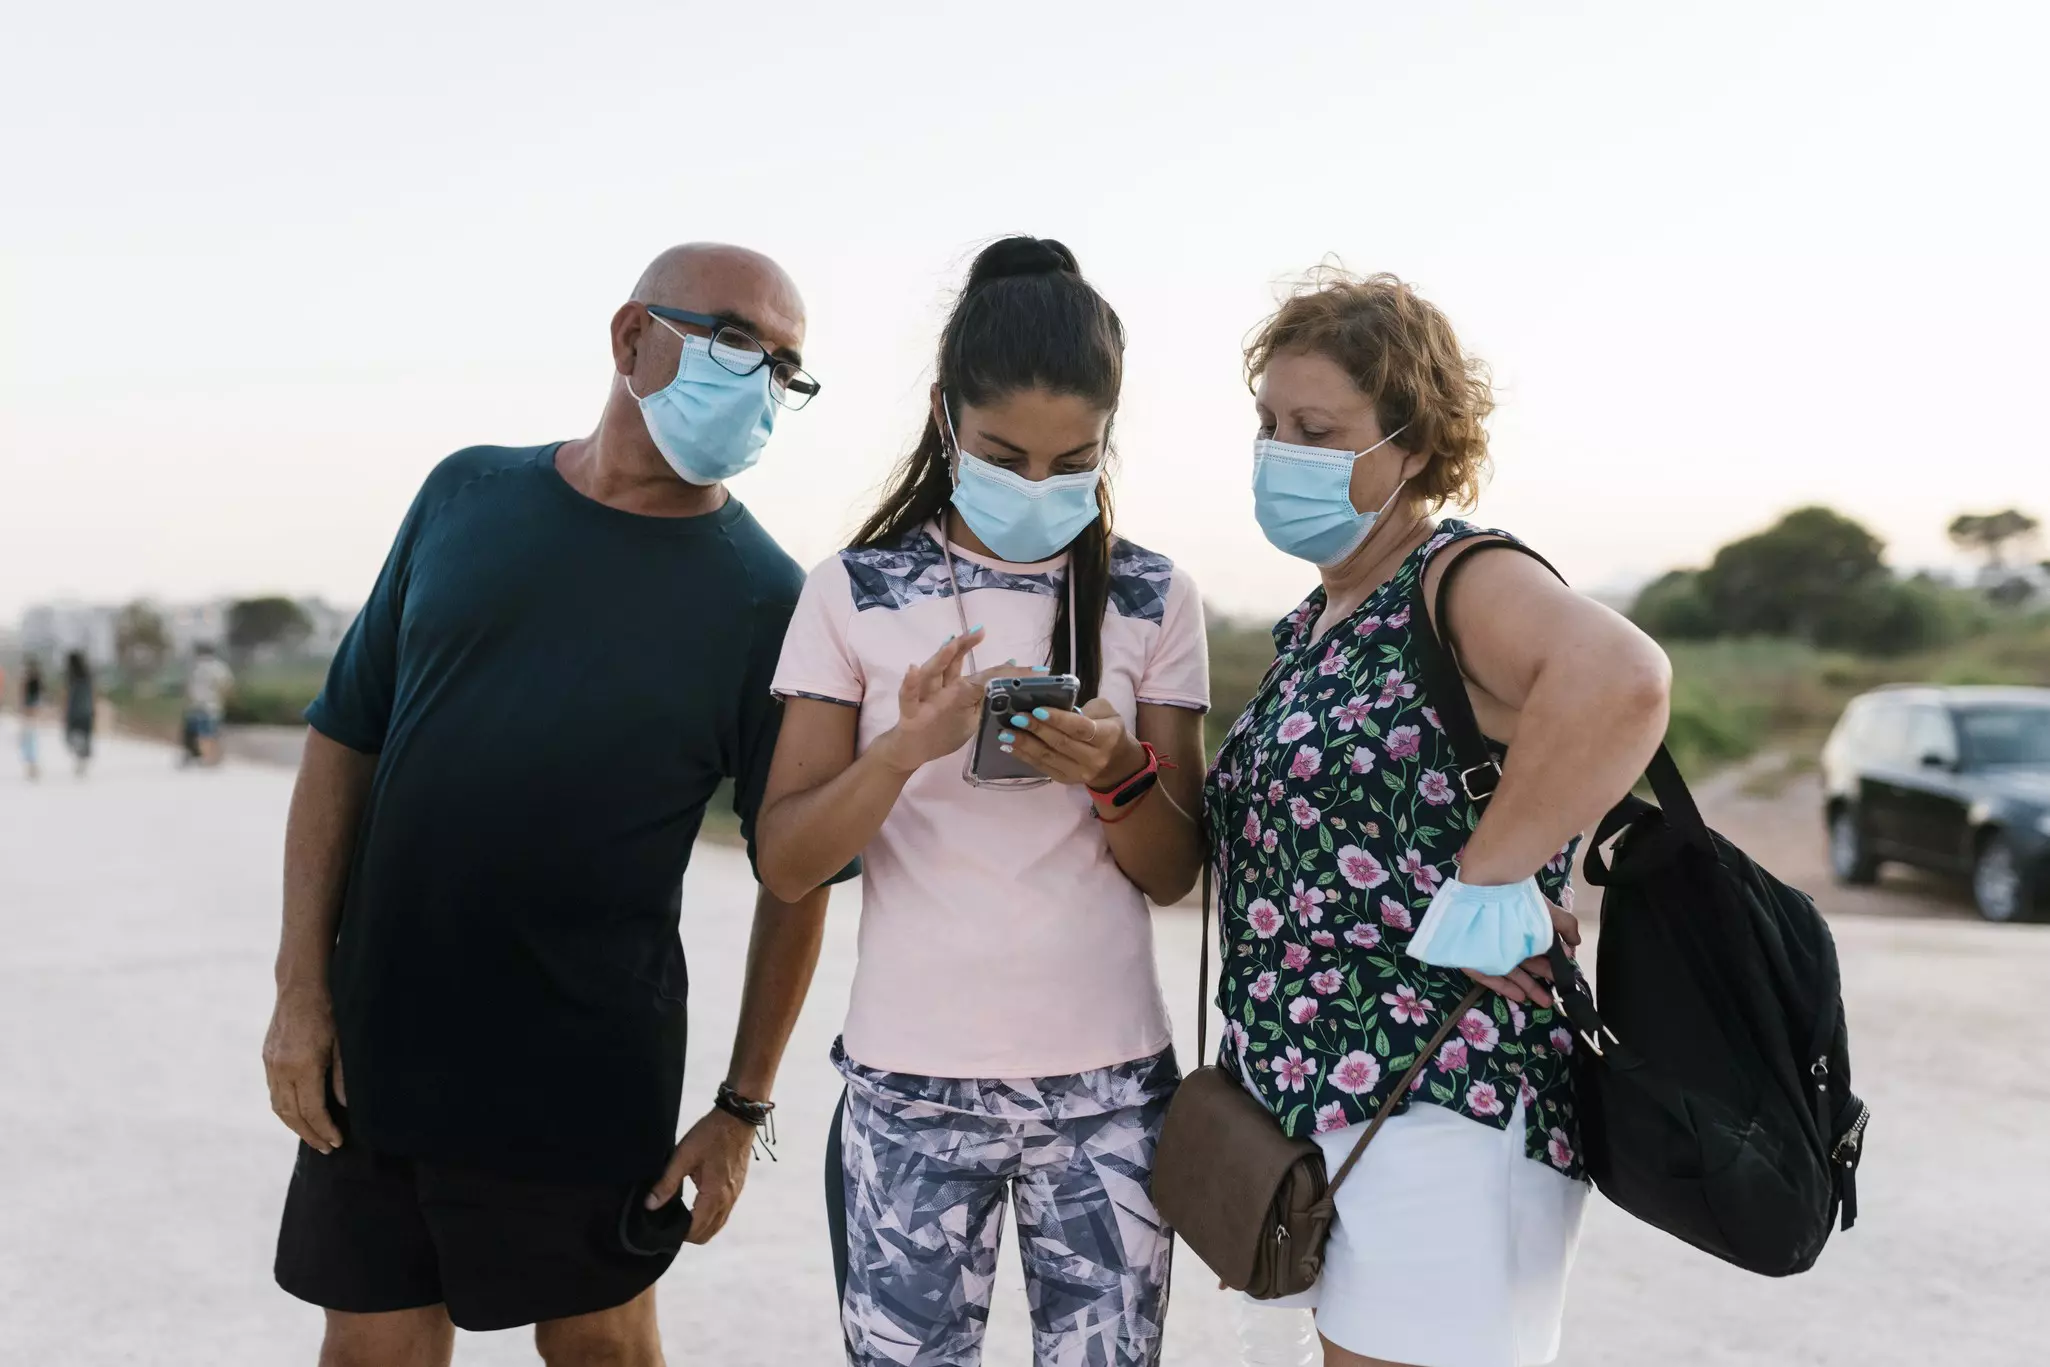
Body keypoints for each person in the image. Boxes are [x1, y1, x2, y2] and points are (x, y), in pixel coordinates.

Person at [261, 243, 848, 1367]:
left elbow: (800, 870)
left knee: (601, 1346)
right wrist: (301, 988)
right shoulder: (466, 492)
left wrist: (741, 1106)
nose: (761, 378)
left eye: (785, 366)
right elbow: (343, 736)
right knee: (369, 1348)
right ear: (632, 337)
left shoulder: (771, 601)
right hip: (382, 1034)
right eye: (735, 340)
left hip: (586, 1066)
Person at [755, 237, 1211, 1367]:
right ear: (945, 418)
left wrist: (1116, 775)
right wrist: (901, 747)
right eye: (1006, 453)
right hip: (909, 1085)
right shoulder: (854, 591)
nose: (1040, 485)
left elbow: (1173, 869)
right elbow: (785, 859)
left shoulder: (1153, 593)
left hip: (1108, 1088)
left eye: (1074, 461)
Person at [1203, 270, 1672, 1367]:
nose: (1280, 451)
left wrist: (1493, 881)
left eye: (1316, 428)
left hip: (1448, 1095)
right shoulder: (1318, 620)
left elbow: (1621, 677)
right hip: (1338, 1105)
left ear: (1410, 444)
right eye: (1268, 425)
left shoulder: (1453, 576)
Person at [182, 643, 234, 767]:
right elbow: (227, 685)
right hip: (212, 705)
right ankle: (212, 757)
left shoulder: (194, 667)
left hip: (195, 705)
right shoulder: (218, 667)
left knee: (197, 733)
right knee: (210, 732)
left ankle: (204, 756)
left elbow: (187, 687)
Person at [62, 651, 95, 777]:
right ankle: (82, 760)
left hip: (75, 713)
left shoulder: (73, 678)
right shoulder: (87, 676)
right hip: (86, 712)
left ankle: (80, 760)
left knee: (73, 738)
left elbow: (69, 698)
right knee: (84, 738)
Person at [17, 657, 44, 780]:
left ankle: (32, 765)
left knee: (28, 739)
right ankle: (32, 765)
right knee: (30, 739)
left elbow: (23, 698)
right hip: (33, 713)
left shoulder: (28, 681)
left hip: (29, 713)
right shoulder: (37, 681)